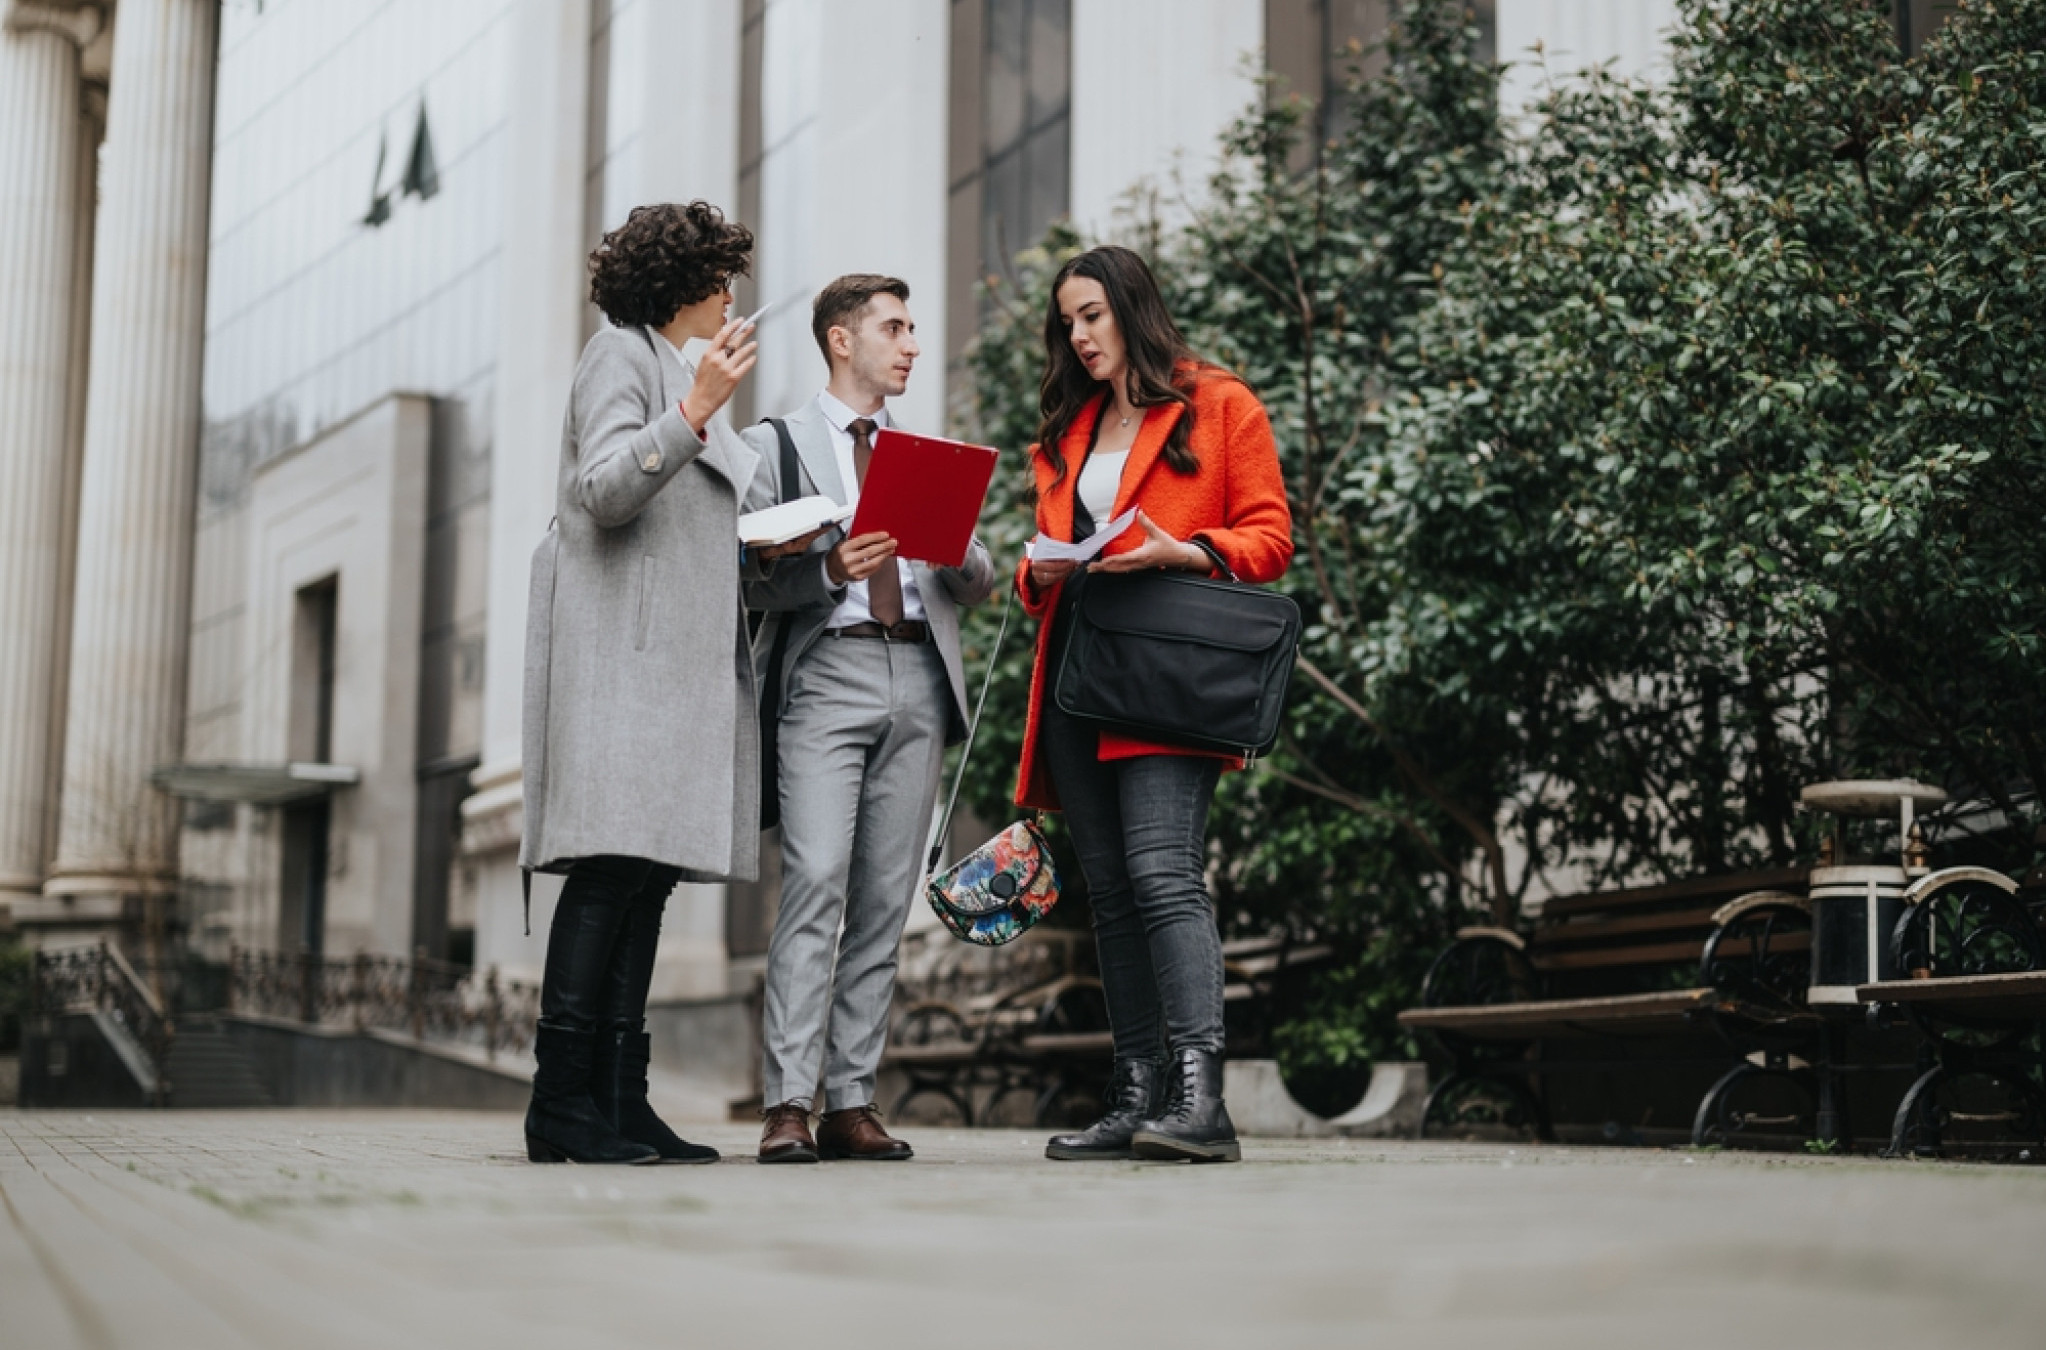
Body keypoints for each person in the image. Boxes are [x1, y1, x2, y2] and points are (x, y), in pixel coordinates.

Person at [520, 201, 810, 1165]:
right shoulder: (623, 357)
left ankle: (618, 1097)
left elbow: (713, 536)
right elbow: (600, 491)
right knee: (609, 874)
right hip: (623, 668)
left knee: (646, 885)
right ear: (680, 283)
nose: (733, 294)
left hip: (680, 674)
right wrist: (692, 413)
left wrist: (802, 553)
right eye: (721, 274)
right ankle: (560, 1104)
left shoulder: (690, 383)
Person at [1014, 245, 1294, 1164]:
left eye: (1091, 314)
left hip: (1165, 676)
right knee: (1113, 896)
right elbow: (1049, 549)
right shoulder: (1069, 429)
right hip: (1077, 675)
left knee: (1165, 874)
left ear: (1133, 305)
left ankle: (1198, 1096)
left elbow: (1269, 537)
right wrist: (1033, 567)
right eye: (1068, 323)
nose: (1080, 336)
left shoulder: (1219, 403)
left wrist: (1185, 551)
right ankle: (1134, 1095)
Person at [743, 275, 996, 1163]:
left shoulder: (923, 452)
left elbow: (981, 580)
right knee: (815, 881)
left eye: (915, 328)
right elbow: (740, 574)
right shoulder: (773, 445)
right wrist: (828, 570)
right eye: (895, 327)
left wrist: (951, 537)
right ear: (841, 340)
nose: (912, 344)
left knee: (885, 900)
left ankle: (852, 1100)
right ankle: (787, 1104)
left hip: (921, 679)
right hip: (828, 680)